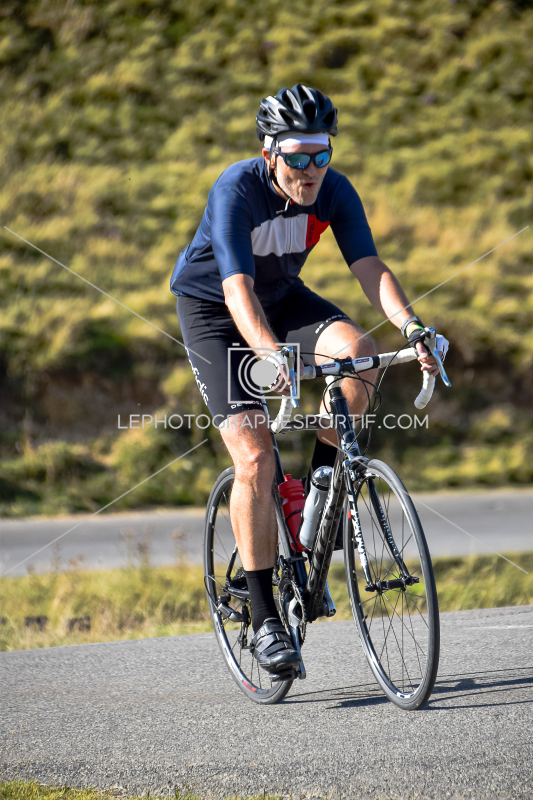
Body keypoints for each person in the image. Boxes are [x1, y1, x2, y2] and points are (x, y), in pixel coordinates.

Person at [171, 84, 442, 679]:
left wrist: (413, 327)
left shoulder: (334, 190)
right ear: (269, 154)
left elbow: (369, 267)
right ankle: (266, 616)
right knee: (255, 457)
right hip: (215, 310)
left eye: (322, 154)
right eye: (298, 156)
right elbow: (236, 290)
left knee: (362, 355)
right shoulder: (237, 188)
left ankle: (316, 497)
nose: (311, 169)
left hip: (282, 297)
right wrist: (270, 355)